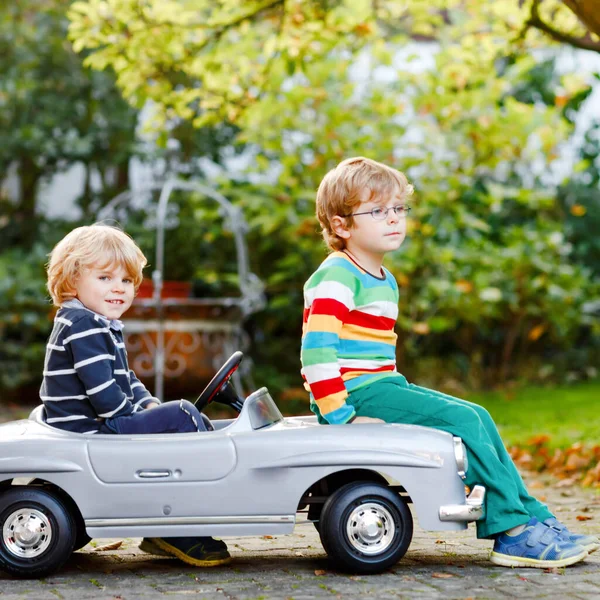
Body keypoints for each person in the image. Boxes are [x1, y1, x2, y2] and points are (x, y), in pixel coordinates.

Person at [300, 156, 599, 569]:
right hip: (355, 394)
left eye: (398, 209)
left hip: (381, 385)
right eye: (378, 211)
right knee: (462, 423)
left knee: (476, 414)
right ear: (341, 226)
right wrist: (341, 417)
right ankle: (512, 534)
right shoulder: (337, 275)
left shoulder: (381, 276)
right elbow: (316, 353)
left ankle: (532, 517)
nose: (393, 219)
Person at [40, 223, 230, 567]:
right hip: (92, 430)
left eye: (126, 281)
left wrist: (148, 406)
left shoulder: (93, 321)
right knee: (184, 415)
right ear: (72, 279)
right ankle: (184, 519)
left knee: (188, 417)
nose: (119, 289)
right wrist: (139, 417)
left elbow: (124, 377)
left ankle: (175, 511)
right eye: (105, 278)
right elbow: (105, 397)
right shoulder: (84, 326)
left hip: (96, 422)